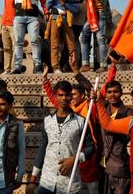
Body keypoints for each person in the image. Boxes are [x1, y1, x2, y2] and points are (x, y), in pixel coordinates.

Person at [28, 80, 95, 194]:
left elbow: (91, 148)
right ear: (55, 96)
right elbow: (42, 149)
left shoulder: (81, 121)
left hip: (69, 184)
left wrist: (74, 160)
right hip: (47, 182)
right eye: (61, 95)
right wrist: (33, 179)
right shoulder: (47, 121)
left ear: (71, 96)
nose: (64, 98)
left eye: (67, 95)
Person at [42, 63, 99, 193]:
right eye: (62, 95)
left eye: (71, 95)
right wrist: (45, 80)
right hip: (52, 176)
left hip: (84, 160)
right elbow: (53, 95)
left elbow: (91, 90)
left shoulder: (89, 107)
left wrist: (76, 72)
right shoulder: (63, 111)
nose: (67, 98)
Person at [62, 0, 121, 73]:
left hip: (101, 14)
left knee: (100, 38)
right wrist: (66, 0)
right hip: (91, 15)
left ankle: (103, 65)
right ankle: (85, 64)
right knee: (83, 37)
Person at [0, 0, 48, 74]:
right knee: (18, 43)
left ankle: (37, 65)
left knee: (34, 40)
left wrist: (46, 12)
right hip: (18, 18)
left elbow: (43, 2)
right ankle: (17, 67)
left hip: (33, 18)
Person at [101, 80, 132, 194]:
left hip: (119, 166)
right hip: (103, 164)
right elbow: (92, 91)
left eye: (115, 92)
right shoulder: (104, 110)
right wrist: (76, 72)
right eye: (109, 92)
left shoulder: (128, 112)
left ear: (121, 93)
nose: (112, 95)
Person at [45, 0, 78, 73]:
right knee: (54, 44)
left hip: (67, 20)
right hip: (55, 19)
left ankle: (74, 65)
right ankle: (56, 67)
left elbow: (75, 10)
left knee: (71, 44)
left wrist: (65, 4)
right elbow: (47, 5)